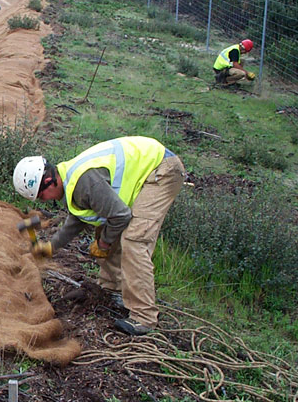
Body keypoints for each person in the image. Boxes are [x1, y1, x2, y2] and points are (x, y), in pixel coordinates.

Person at [13, 136, 185, 336]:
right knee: (105, 230)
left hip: (162, 170)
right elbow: (78, 219)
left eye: (41, 196)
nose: (44, 201)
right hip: (150, 169)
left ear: (49, 181)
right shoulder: (70, 181)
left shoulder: (84, 182)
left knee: (134, 240)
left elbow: (121, 216)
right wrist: (52, 246)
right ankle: (112, 290)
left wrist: (104, 243)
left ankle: (144, 316)